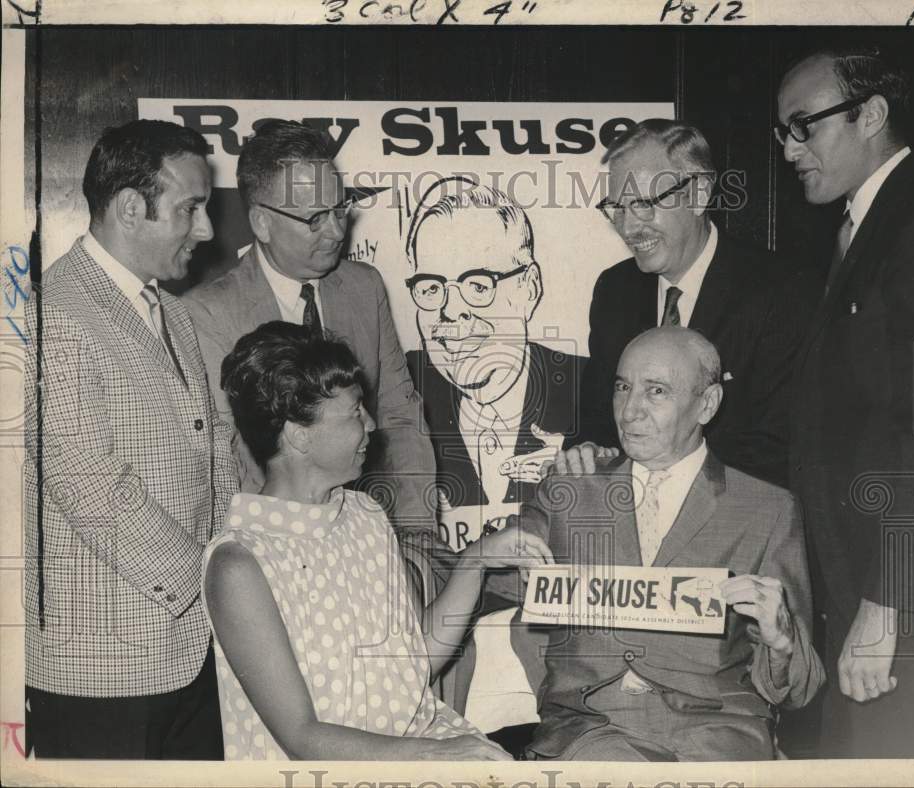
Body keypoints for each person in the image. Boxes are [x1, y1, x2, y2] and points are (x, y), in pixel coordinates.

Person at [203, 322, 553, 760]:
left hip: (417, 746)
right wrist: (434, 755)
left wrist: (475, 562)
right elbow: (302, 737)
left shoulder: (364, 515)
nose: (371, 423)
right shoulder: (240, 563)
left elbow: (414, 664)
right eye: (354, 412)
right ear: (298, 434)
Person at [489, 327, 824, 761]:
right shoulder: (572, 490)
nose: (629, 412)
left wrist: (782, 643)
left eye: (657, 391)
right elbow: (490, 578)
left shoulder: (767, 509)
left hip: (717, 736)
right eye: (622, 387)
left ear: (707, 404)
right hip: (594, 731)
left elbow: (800, 690)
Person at [22, 120, 238, 759]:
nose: (206, 231)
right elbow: (87, 481)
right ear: (129, 208)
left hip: (191, 655)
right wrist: (211, 584)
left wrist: (230, 561)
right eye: (190, 209)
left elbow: (213, 448)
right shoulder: (54, 313)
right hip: (102, 669)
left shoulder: (169, 309)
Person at [776, 47, 914, 758]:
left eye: (804, 127)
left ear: (873, 116)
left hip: (909, 603)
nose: (790, 150)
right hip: (865, 586)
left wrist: (884, 609)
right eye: (781, 133)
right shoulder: (866, 221)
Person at [182, 119, 441, 592]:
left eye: (340, 209)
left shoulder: (365, 288)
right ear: (261, 221)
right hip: (278, 557)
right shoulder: (206, 314)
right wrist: (302, 551)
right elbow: (228, 457)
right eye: (314, 218)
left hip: (377, 538)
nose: (336, 230)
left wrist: (416, 534)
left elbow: (400, 417)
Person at [402, 177, 586, 752]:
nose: (452, 313)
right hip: (442, 681)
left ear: (528, 287)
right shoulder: (393, 398)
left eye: (478, 285)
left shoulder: (592, 391)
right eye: (432, 288)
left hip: (559, 670)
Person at [575, 119, 818, 488]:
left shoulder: (780, 290)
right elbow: (595, 417)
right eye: (617, 208)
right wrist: (588, 449)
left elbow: (779, 446)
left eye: (643, 204)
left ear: (699, 194)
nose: (628, 228)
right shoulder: (614, 290)